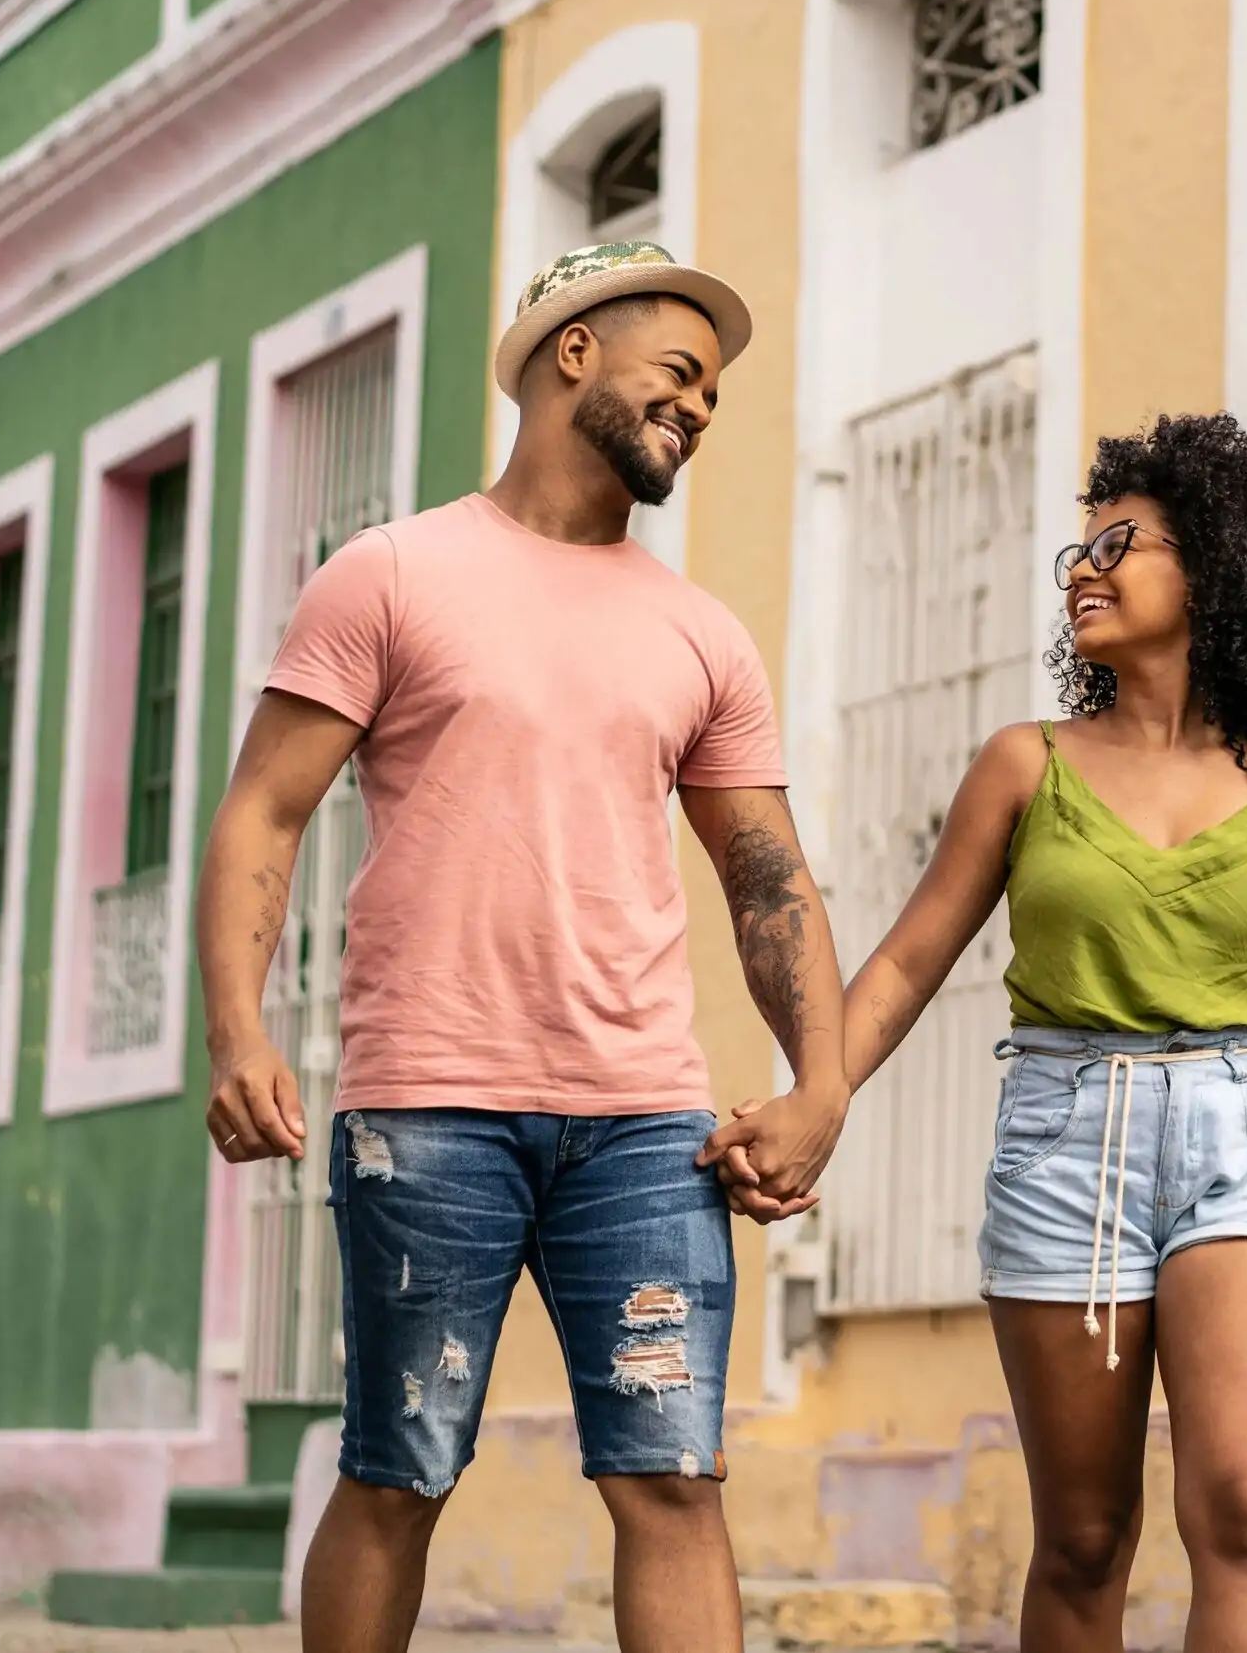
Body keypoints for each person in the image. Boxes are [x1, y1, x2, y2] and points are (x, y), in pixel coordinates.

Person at [196, 241, 852, 1653]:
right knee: (403, 1468)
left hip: (643, 1123)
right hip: (429, 1105)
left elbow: (768, 878)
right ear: (572, 353)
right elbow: (264, 808)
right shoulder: (389, 572)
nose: (698, 408)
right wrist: (239, 1031)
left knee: (676, 1479)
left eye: (714, 396)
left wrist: (824, 1083)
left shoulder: (701, 635)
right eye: (679, 373)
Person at [811, 412, 1247, 1653]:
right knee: (1084, 1539)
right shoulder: (1024, 765)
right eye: (1077, 552)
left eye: (1121, 543)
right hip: (1065, 1140)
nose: (1085, 568)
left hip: (1243, 1135)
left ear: (1216, 568)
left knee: (1245, 1513)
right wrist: (816, 1095)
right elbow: (914, 955)